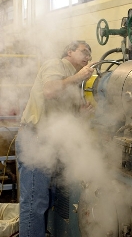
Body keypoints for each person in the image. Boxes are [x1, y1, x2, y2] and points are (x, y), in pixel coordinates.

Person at [15, 40, 95, 237]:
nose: (88, 57)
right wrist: (78, 76)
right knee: (35, 201)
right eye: (84, 51)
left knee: (52, 197)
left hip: (53, 144)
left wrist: (80, 115)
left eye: (90, 55)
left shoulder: (73, 82)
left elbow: (62, 120)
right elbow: (49, 91)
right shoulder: (55, 64)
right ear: (69, 51)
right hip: (36, 140)